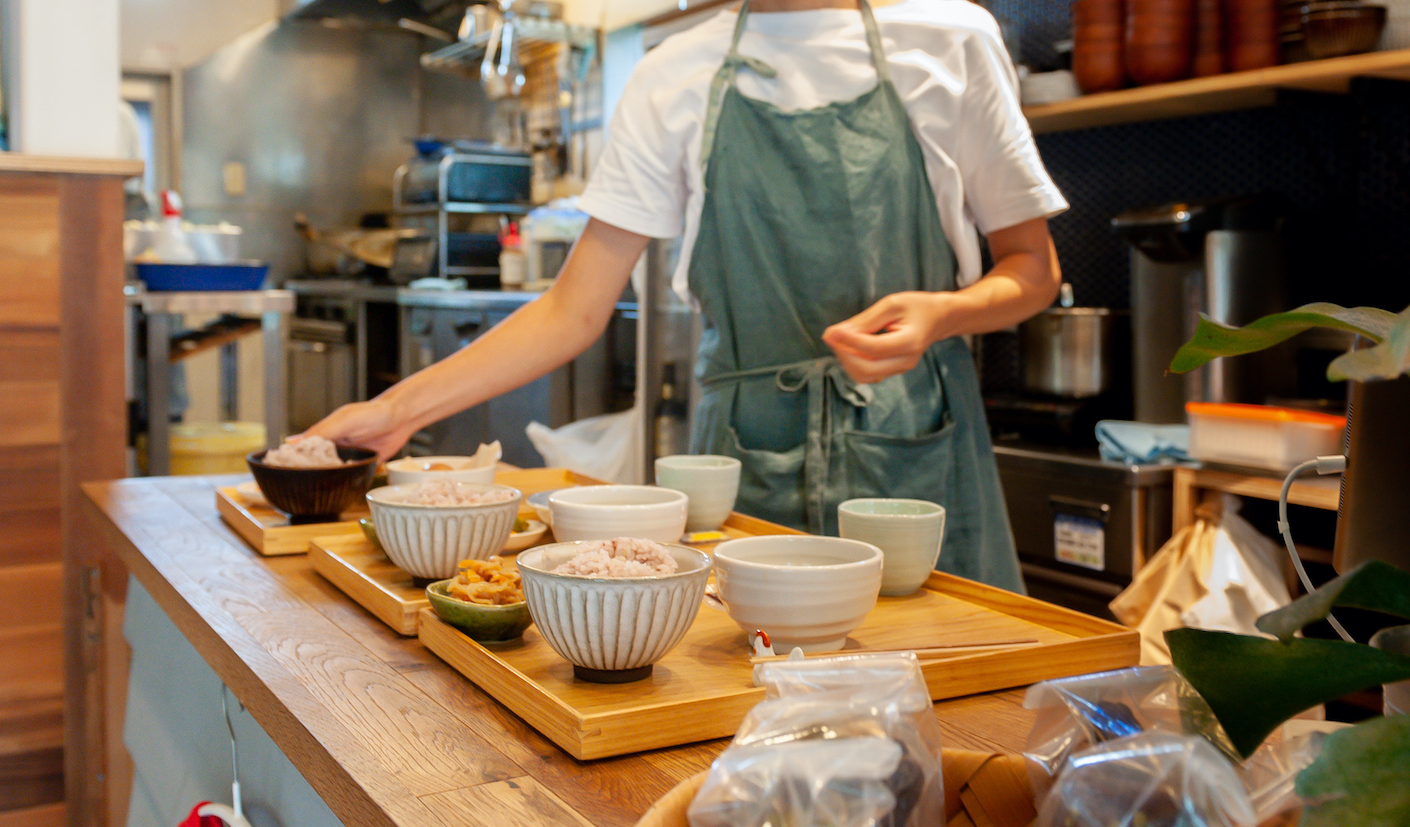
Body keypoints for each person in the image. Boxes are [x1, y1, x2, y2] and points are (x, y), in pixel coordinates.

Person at [308, 0, 1065, 592]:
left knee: (953, 718)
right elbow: (573, 310)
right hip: (742, 456)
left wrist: (943, 314)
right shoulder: (674, 71)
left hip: (918, 453)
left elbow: (1032, 268)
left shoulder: (951, 38)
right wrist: (395, 412)